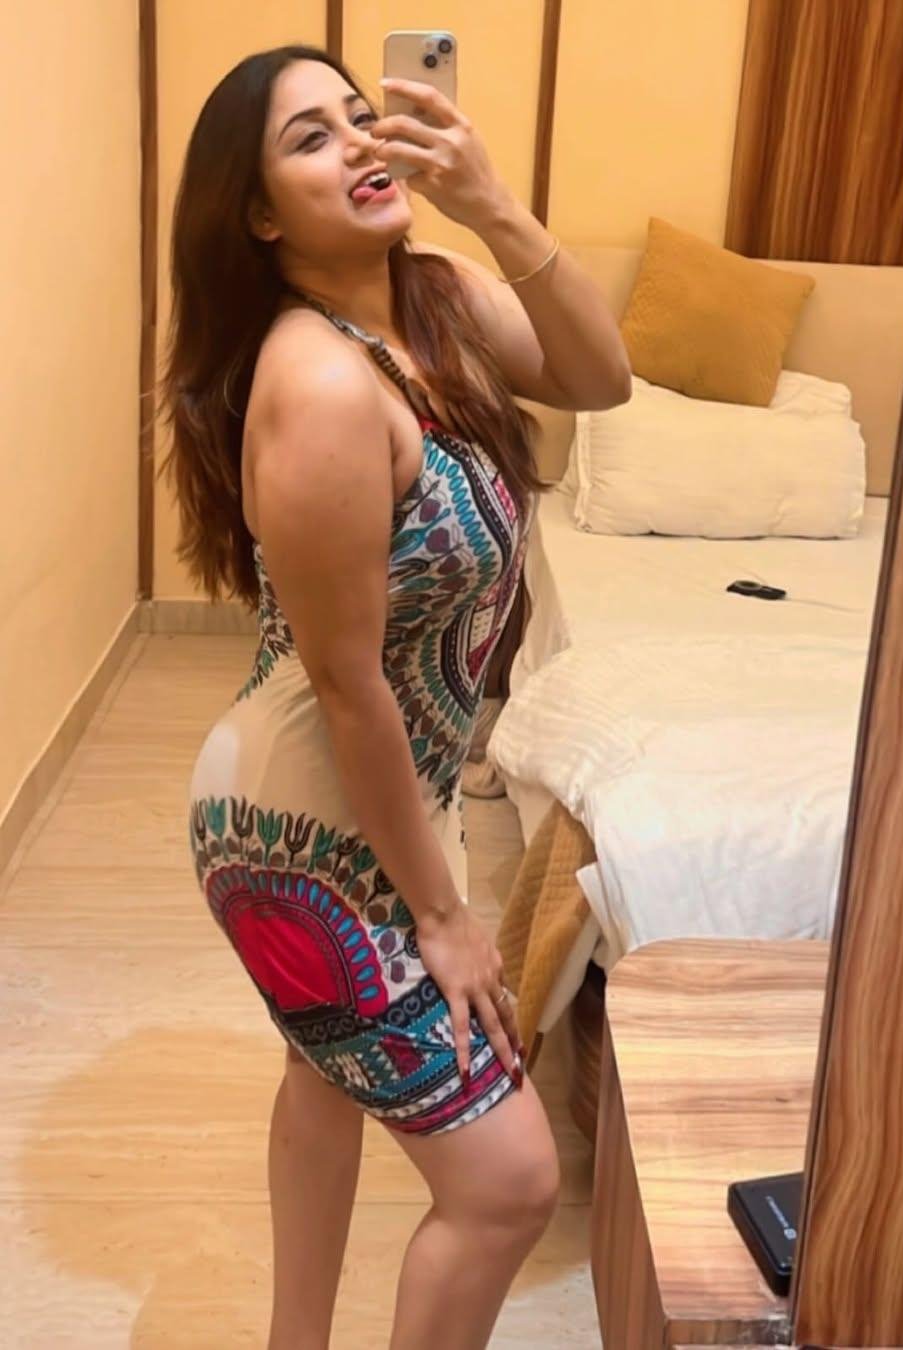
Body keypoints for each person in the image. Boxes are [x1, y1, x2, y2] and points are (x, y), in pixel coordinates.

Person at [161, 43, 631, 1350]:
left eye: (360, 117)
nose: (359, 145)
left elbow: (602, 377)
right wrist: (444, 914)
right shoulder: (316, 381)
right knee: (509, 1181)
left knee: (322, 1074)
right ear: (260, 215)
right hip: (296, 832)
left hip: (382, 794)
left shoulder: (436, 300)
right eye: (309, 139)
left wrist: (492, 204)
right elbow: (347, 682)